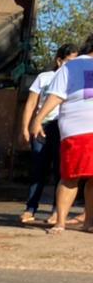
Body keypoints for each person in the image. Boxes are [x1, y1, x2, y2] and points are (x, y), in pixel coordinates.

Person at [30, 33, 93, 234]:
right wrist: (37, 119)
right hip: (77, 129)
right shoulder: (71, 67)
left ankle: (89, 222)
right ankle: (60, 222)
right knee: (70, 177)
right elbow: (56, 96)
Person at [20, 44, 75, 224]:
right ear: (59, 61)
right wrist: (26, 127)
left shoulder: (74, 78)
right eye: (68, 61)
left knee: (61, 170)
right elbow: (31, 103)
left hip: (63, 127)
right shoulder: (44, 78)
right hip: (42, 126)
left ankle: (56, 212)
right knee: (38, 168)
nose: (71, 65)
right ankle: (30, 208)